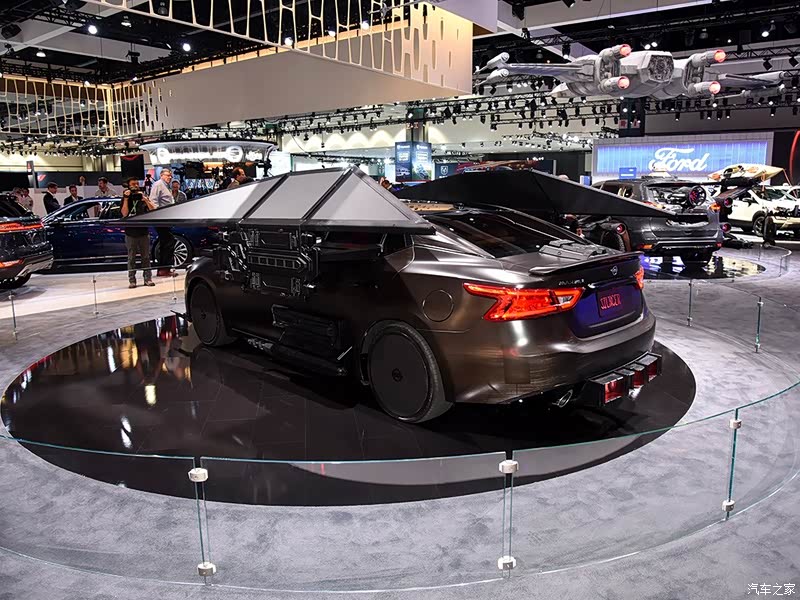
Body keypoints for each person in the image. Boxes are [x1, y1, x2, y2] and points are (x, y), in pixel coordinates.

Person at [120, 177, 156, 288]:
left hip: (143, 232)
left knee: (146, 257)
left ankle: (148, 279)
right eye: (133, 184)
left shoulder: (142, 197)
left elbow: (153, 210)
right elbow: (124, 214)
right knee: (131, 258)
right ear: (128, 185)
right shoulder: (125, 198)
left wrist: (145, 200)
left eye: (137, 183)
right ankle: (132, 280)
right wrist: (126, 198)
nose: (135, 185)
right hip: (131, 232)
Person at [149, 168, 175, 277]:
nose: (170, 177)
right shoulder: (158, 185)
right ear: (161, 175)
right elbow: (153, 201)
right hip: (161, 218)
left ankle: (165, 268)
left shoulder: (166, 186)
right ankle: (163, 269)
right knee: (168, 242)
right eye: (167, 175)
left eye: (170, 176)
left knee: (167, 243)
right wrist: (158, 215)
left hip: (167, 218)